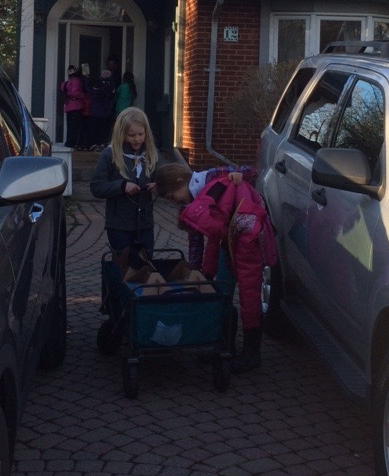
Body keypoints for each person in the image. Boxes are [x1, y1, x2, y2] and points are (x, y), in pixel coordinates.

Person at [155, 162, 277, 374]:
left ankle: (251, 353)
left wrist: (239, 174)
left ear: (179, 181)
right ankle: (224, 344)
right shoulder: (193, 202)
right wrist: (196, 272)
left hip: (247, 236)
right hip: (227, 240)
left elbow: (252, 171)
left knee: (249, 294)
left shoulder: (211, 176)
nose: (175, 202)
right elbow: (196, 239)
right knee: (222, 290)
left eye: (172, 197)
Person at [90, 107, 159, 256]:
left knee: (146, 263)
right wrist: (121, 186)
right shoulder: (109, 155)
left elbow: (160, 179)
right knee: (123, 264)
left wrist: (159, 185)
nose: (137, 139)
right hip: (120, 225)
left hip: (145, 224)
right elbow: (96, 187)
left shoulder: (151, 154)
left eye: (141, 134)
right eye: (132, 135)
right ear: (121, 134)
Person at [88, 70, 115, 151]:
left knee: (95, 129)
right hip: (105, 113)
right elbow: (112, 96)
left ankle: (95, 144)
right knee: (104, 129)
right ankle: (103, 143)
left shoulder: (93, 90)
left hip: (95, 113)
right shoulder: (109, 87)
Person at [61, 65, 85, 148]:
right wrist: (83, 96)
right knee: (76, 126)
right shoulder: (77, 81)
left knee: (70, 125)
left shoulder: (67, 82)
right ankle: (74, 142)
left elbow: (63, 88)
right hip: (76, 106)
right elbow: (75, 93)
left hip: (68, 106)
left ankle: (69, 142)